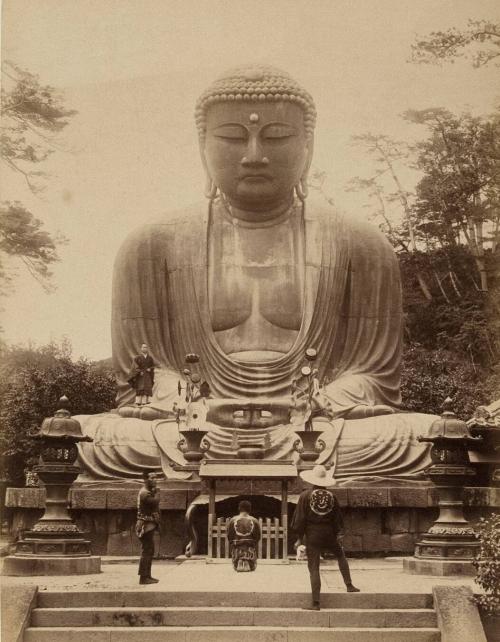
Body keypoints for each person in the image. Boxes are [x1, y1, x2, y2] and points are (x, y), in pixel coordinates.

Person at [76, 65, 437, 483]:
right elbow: (142, 380)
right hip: (195, 425)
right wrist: (195, 405)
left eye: (277, 136)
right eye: (231, 137)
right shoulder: (150, 245)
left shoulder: (360, 243)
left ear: (309, 146)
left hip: (314, 425)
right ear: (201, 146)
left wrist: (310, 404)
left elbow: (373, 377)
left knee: (423, 437)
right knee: (93, 437)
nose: (253, 155)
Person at [291, 464, 359, 610]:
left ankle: (316, 603)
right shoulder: (332, 497)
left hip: (313, 534)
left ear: (312, 480)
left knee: (314, 567)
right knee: (340, 555)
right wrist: (338, 534)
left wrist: (299, 538)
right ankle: (349, 585)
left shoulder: (305, 496)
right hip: (329, 532)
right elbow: (337, 519)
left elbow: (300, 519)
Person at [136, 471, 160, 584]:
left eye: (156, 477)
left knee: (149, 550)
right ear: (146, 480)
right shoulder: (145, 493)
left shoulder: (148, 491)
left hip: (148, 524)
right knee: (147, 551)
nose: (155, 480)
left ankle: (147, 576)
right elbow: (155, 502)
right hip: (145, 525)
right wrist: (158, 493)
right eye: (152, 478)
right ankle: (143, 577)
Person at [227, 500, 261, 572]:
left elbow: (229, 536)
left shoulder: (233, 520)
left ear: (239, 508)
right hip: (249, 547)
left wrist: (233, 543)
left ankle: (238, 561)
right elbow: (258, 537)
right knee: (252, 568)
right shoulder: (254, 520)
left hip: (237, 547)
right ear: (250, 509)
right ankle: (248, 562)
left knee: (236, 563)